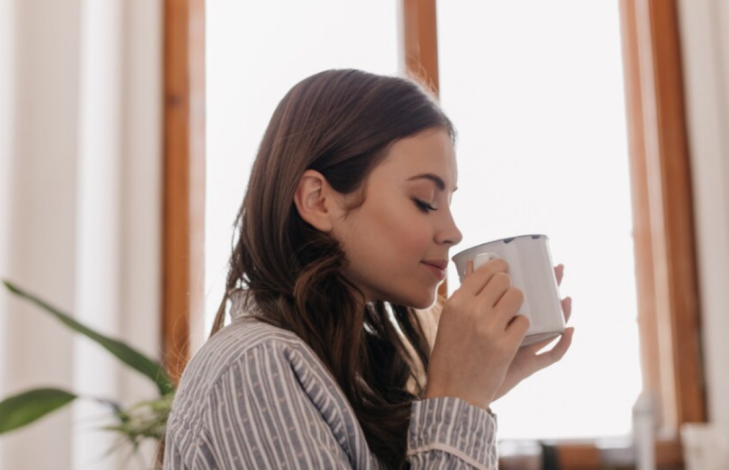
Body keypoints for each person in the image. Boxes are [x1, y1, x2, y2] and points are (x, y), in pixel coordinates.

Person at [163, 69, 574, 470]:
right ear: (319, 200)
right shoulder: (257, 366)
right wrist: (457, 402)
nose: (453, 232)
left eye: (450, 202)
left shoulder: (353, 374)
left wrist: (473, 391)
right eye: (425, 200)